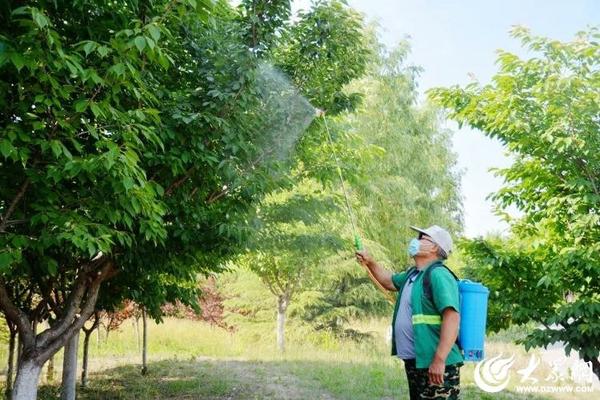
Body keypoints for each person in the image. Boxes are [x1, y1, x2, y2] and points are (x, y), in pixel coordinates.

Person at [356, 225, 463, 399]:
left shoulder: (438, 274)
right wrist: (370, 262)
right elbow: (388, 281)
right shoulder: (413, 274)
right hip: (417, 362)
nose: (416, 241)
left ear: (435, 247)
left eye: (422, 238)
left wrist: (439, 359)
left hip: (436, 364)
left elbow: (452, 317)